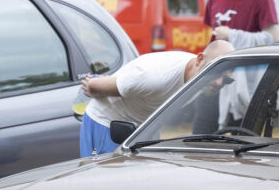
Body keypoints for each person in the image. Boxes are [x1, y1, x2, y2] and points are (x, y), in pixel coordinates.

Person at [79, 40, 234, 157]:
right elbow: (93, 86)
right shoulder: (153, 77)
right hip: (106, 124)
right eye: (215, 73)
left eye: (226, 79)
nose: (219, 83)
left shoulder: (201, 76)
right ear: (199, 60)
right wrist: (92, 83)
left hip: (142, 129)